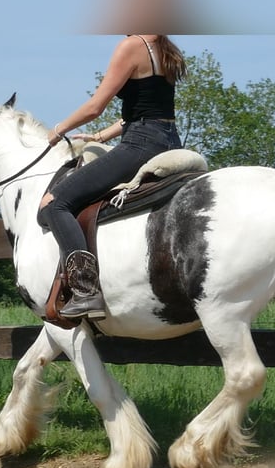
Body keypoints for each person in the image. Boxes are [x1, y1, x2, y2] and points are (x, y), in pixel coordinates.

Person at [38, 35, 187, 321]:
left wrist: (58, 129)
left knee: (55, 203)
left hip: (140, 145)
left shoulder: (132, 46)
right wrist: (99, 136)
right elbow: (148, 108)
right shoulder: (163, 47)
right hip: (168, 140)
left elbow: (96, 106)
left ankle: (85, 290)